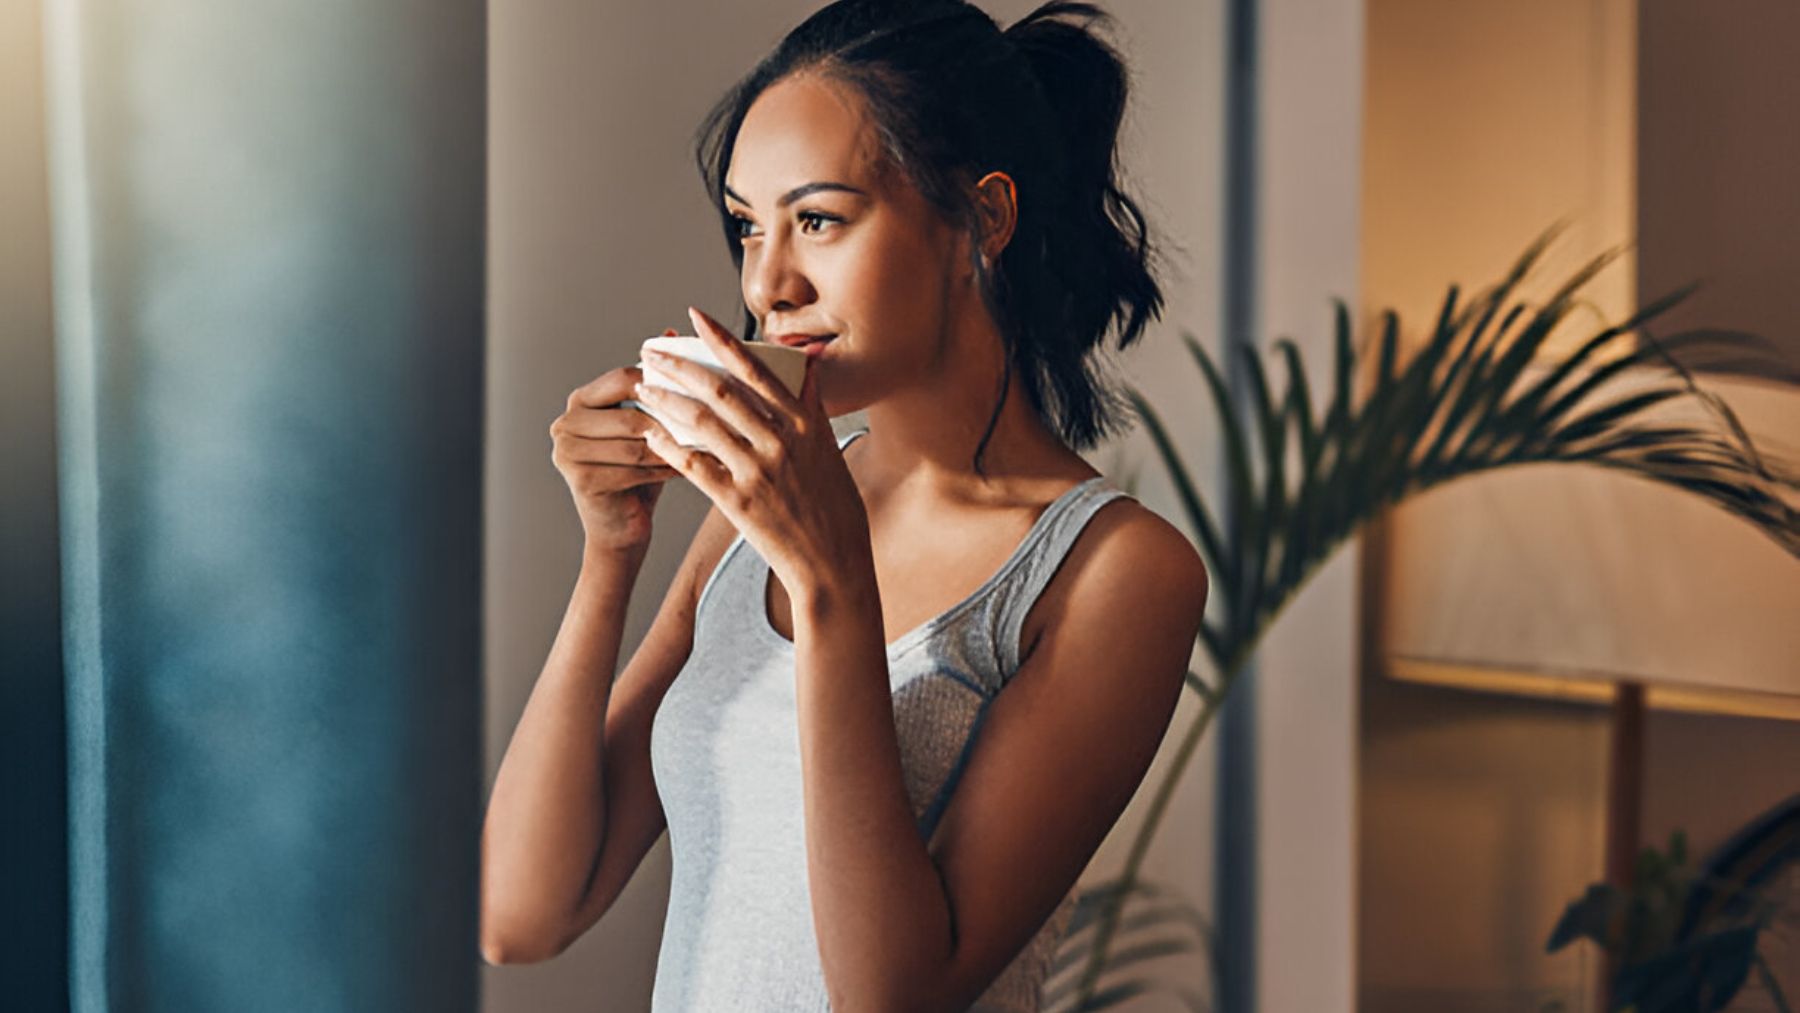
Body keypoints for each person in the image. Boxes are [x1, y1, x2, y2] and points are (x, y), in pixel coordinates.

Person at [479, 1, 1209, 1009]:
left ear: (982, 219)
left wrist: (829, 584)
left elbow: (892, 992)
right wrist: (611, 551)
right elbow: (524, 912)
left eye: (817, 218)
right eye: (747, 227)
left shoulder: (1117, 573)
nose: (767, 283)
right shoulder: (752, 511)